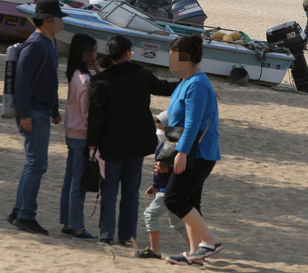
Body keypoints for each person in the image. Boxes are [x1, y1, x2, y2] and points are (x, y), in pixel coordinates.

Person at [87, 35, 178, 245]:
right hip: (137, 140)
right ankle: (127, 237)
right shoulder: (141, 74)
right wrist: (185, 82)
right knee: (130, 190)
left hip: (111, 141)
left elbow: (96, 116)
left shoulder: (102, 80)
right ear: (128, 52)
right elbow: (163, 88)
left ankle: (106, 235)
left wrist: (92, 143)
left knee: (109, 190)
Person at [7, 0, 68, 236]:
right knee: (37, 164)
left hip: (41, 111)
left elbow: (47, 81)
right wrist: (25, 114)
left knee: (33, 164)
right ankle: (26, 216)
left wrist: (53, 110)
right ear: (48, 21)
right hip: (32, 112)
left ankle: (17, 211)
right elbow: (22, 80)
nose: (62, 21)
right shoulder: (35, 44)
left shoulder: (48, 43)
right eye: (59, 18)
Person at [164, 35, 223, 266]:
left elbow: (193, 123)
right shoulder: (186, 81)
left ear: (186, 58)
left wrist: (181, 153)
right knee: (190, 201)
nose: (170, 64)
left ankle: (211, 240)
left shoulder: (197, 84)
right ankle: (195, 254)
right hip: (191, 151)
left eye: (173, 59)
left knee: (174, 199)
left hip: (198, 153)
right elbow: (177, 117)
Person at [59, 34, 100, 240]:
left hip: (71, 132)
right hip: (82, 135)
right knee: (78, 182)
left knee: (70, 180)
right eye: (93, 49)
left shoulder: (75, 74)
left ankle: (67, 221)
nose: (95, 53)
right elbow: (87, 113)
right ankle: (76, 226)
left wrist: (97, 70)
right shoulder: (85, 81)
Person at [134, 112, 189, 260]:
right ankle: (197, 248)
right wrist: (155, 185)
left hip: (169, 191)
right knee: (177, 223)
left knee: (150, 214)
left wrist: (167, 170)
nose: (159, 130)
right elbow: (160, 170)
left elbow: (180, 171)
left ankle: (155, 250)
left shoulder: (177, 146)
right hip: (164, 189)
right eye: (157, 126)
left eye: (162, 127)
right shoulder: (162, 145)